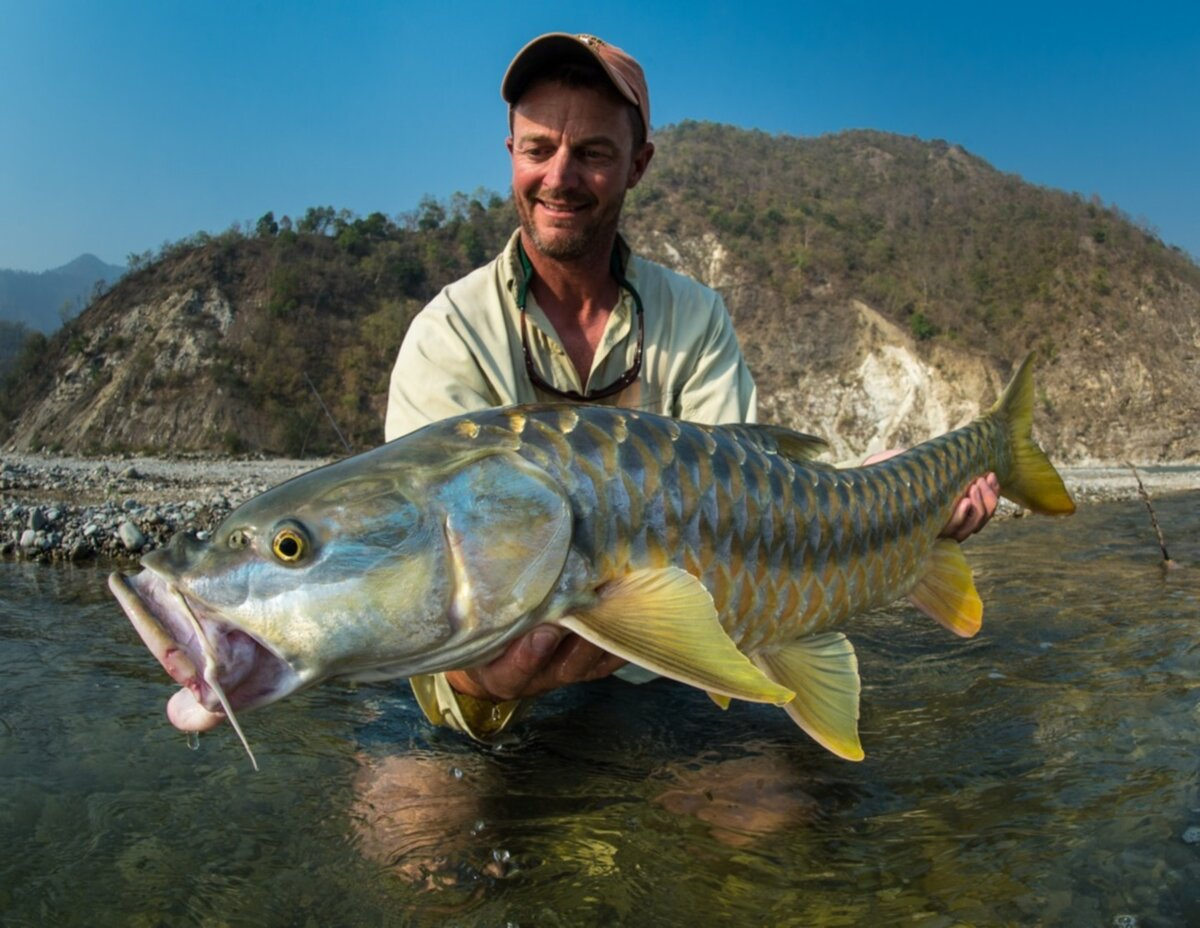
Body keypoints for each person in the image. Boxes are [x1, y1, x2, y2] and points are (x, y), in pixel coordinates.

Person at [384, 32, 999, 741]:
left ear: (638, 165)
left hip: (670, 677)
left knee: (769, 824)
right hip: (485, 700)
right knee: (409, 830)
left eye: (592, 153)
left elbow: (756, 508)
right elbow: (424, 585)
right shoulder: (447, 333)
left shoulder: (696, 315)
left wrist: (893, 505)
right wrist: (474, 681)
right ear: (511, 154)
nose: (559, 176)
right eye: (538, 149)